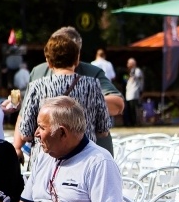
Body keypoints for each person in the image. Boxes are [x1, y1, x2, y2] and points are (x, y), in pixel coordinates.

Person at [16, 27, 123, 159]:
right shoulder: (92, 85)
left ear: (48, 62)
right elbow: (103, 130)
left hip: (46, 159)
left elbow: (25, 133)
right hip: (83, 157)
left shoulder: (36, 87)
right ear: (77, 59)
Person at [123, 58, 144, 127]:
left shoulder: (137, 71)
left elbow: (139, 78)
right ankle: (131, 123)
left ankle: (136, 123)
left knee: (134, 109)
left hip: (134, 92)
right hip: (129, 93)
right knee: (130, 109)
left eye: (129, 63)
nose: (127, 65)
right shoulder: (131, 71)